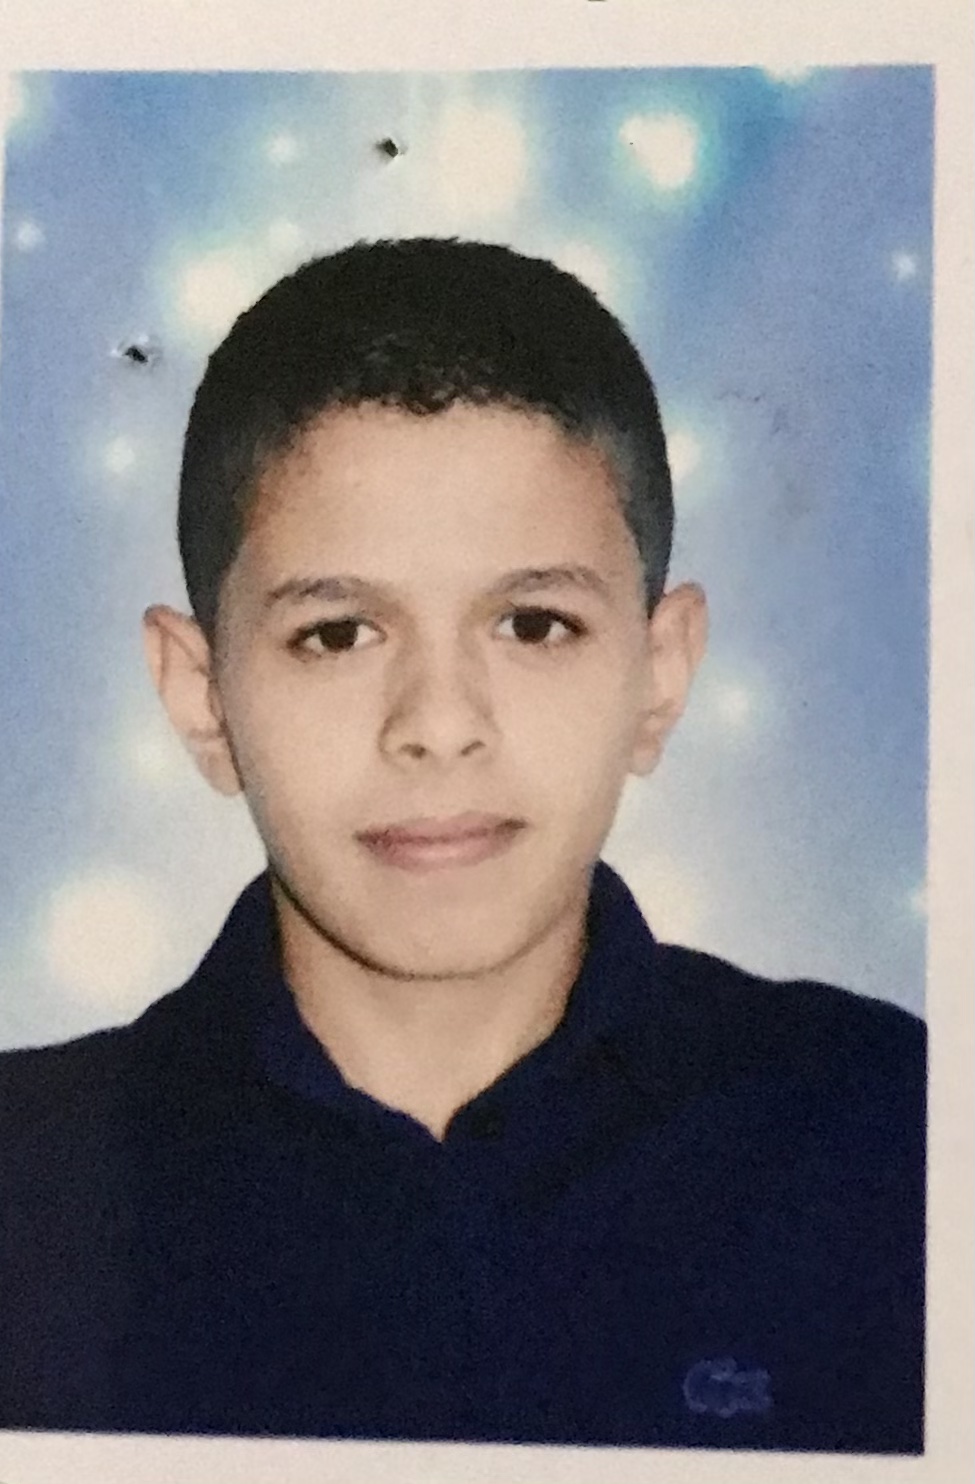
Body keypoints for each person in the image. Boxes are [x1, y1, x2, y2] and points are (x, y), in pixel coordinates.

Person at [0, 237, 924, 1453]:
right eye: (338, 633)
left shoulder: (897, 1140)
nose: (439, 724)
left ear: (659, 675)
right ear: (200, 694)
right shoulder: (32, 1189)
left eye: (533, 623)